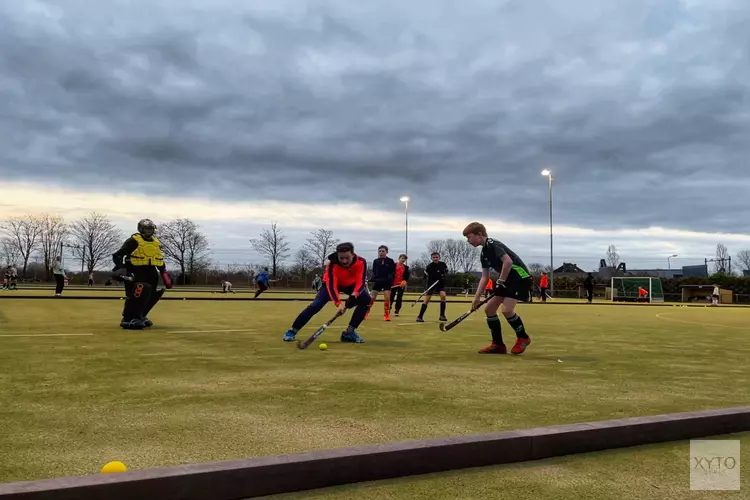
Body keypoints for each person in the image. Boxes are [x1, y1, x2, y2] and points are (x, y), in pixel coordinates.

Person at [463, 222, 532, 355]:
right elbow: (484, 277)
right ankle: (498, 345)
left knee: (507, 310)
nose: (468, 241)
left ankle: (523, 337)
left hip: (520, 278)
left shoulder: (493, 244)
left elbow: (508, 262)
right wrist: (476, 298)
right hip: (507, 280)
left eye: (469, 237)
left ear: (480, 234)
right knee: (489, 309)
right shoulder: (484, 253)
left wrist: (500, 281)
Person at [283, 242, 369, 344]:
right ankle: (292, 331)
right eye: (341, 258)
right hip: (330, 285)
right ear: (338, 255)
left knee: (366, 300)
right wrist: (338, 303)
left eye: (347, 258)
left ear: (353, 254)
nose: (344, 261)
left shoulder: (361, 262)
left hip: (351, 285)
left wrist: (355, 293)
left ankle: (349, 333)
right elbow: (332, 286)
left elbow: (361, 280)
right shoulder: (332, 264)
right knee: (316, 305)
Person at [112, 219, 173, 330]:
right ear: (140, 229)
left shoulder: (156, 242)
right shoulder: (133, 241)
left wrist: (164, 274)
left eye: (151, 229)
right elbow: (118, 255)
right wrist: (121, 268)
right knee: (140, 291)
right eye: (146, 229)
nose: (149, 231)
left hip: (152, 271)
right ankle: (128, 318)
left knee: (152, 294)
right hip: (136, 270)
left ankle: (140, 315)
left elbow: (158, 258)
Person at [417, 252, 448, 322]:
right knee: (427, 300)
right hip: (431, 285)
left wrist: (443, 275)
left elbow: (446, 272)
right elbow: (425, 277)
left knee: (443, 296)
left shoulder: (443, 265)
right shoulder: (429, 266)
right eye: (434, 257)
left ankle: (442, 315)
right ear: (431, 258)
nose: (435, 259)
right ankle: (419, 316)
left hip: (440, 284)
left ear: (439, 257)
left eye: (436, 257)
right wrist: (426, 287)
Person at [367, 245, 396, 321]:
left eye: (383, 251)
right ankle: (366, 312)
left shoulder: (390, 261)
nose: (381, 253)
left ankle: (386, 315)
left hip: (387, 282)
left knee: (387, 298)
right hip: (378, 282)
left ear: (386, 252)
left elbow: (392, 272)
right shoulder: (375, 261)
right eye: (379, 251)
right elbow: (374, 271)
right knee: (371, 298)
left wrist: (389, 278)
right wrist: (372, 278)